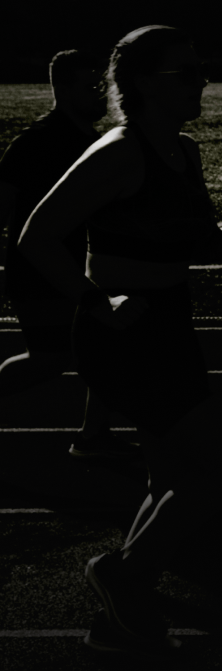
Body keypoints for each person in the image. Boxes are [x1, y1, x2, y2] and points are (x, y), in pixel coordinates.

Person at [18, 25, 222, 653]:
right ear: (143, 83)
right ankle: (121, 575)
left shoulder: (184, 151)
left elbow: (202, 244)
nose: (202, 81)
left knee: (170, 478)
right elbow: (36, 236)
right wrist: (96, 301)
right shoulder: (120, 152)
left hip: (169, 324)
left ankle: (117, 623)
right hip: (123, 334)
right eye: (186, 73)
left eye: (200, 70)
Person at [0, 48, 137, 457]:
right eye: (90, 87)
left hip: (81, 271)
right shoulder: (34, 143)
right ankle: (94, 436)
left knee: (109, 347)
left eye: (102, 85)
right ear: (61, 89)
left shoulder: (94, 142)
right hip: (38, 272)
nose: (101, 94)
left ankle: (94, 435)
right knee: (50, 358)